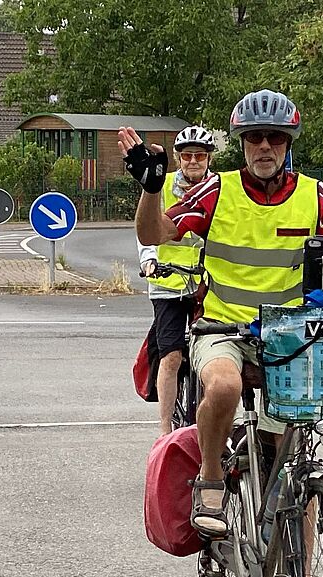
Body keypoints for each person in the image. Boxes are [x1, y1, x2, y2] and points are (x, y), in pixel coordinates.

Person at [119, 89, 323, 537]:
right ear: (242, 143)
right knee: (223, 386)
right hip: (222, 329)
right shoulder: (216, 189)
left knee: (293, 460)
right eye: (255, 138)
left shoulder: (314, 195)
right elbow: (156, 231)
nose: (265, 147)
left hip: (290, 337)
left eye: (275, 139)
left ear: (288, 143)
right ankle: (211, 480)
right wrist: (149, 190)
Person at [135, 125, 215, 437]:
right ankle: (165, 430)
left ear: (208, 159)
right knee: (170, 356)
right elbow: (146, 227)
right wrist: (149, 260)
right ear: (178, 159)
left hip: (205, 284)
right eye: (186, 156)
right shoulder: (163, 184)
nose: (193, 161)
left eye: (199, 156)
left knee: (212, 352)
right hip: (166, 282)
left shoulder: (219, 190)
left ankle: (211, 420)